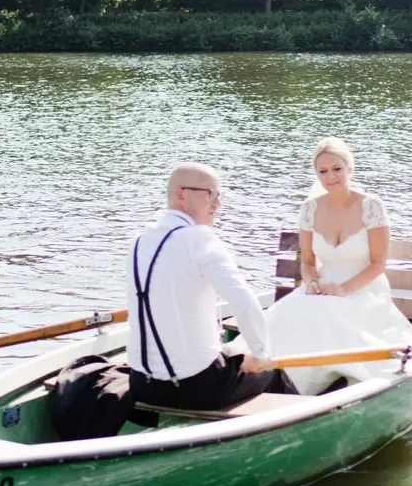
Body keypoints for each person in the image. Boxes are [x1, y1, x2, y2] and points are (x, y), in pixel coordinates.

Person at [127, 162, 298, 413]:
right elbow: (244, 303)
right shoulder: (200, 239)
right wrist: (261, 355)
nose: (217, 203)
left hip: (141, 383)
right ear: (180, 195)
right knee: (273, 371)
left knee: (227, 355)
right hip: (194, 387)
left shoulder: (139, 240)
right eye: (211, 194)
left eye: (219, 195)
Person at [266, 137, 412, 395]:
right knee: (290, 312)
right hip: (323, 286)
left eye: (336, 169)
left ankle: (317, 383)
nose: (330, 177)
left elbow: (378, 263)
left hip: (363, 287)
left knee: (326, 314)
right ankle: (276, 381)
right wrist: (311, 282)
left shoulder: (371, 206)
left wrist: (345, 289)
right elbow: (308, 262)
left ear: (350, 167)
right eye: (322, 171)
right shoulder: (309, 209)